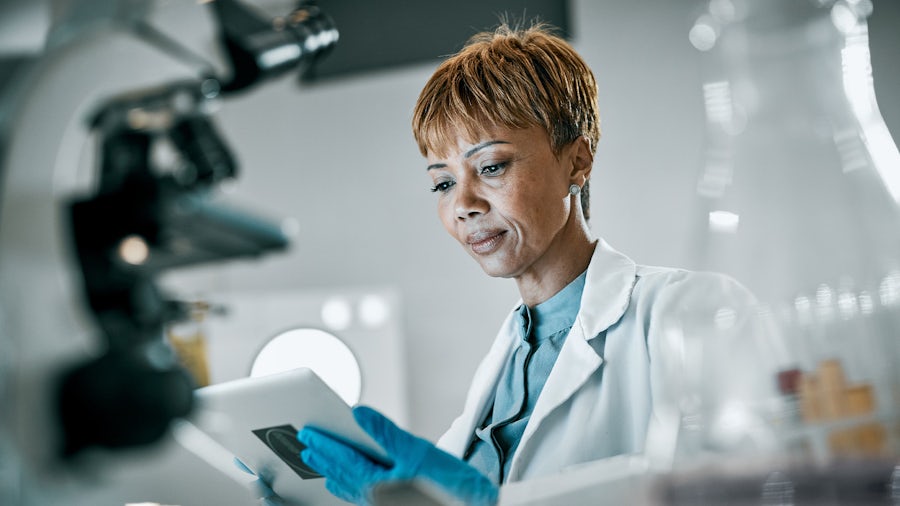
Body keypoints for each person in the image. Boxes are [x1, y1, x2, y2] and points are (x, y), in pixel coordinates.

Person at [297, 21, 766, 505]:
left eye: (492, 166)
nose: (464, 204)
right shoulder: (505, 364)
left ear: (577, 162)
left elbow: (751, 492)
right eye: (443, 183)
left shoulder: (691, 310)